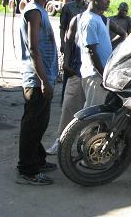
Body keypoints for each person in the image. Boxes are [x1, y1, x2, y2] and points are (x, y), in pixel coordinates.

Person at [16, 0, 60, 185]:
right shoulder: (34, 12)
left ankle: (38, 159)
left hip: (43, 76)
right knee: (33, 125)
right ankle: (27, 171)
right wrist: (43, 79)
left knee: (39, 123)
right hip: (36, 79)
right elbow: (34, 49)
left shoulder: (40, 10)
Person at [77, 0, 126, 107]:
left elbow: (121, 35)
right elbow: (92, 52)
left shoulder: (98, 18)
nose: (108, 1)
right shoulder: (90, 20)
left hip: (99, 75)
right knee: (93, 114)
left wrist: (110, 46)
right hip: (95, 76)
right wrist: (103, 75)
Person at [45, 13, 85, 155]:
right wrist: (66, 63)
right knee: (69, 107)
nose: (107, 2)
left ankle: (86, 147)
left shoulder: (106, 21)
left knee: (92, 112)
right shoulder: (78, 18)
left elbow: (122, 34)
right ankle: (61, 141)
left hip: (95, 75)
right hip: (77, 71)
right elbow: (68, 40)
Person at [59, 0, 88, 103]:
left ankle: (80, 100)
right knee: (68, 71)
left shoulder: (88, 7)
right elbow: (62, 27)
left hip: (83, 45)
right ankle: (64, 100)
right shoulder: (68, 7)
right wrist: (62, 43)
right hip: (70, 44)